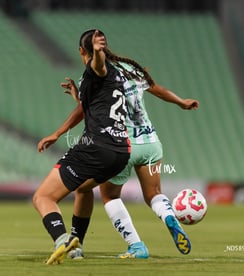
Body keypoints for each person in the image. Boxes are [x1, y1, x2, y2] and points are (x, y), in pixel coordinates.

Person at [39, 32, 199, 259]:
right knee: (154, 193)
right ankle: (168, 216)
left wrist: (60, 129)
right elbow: (156, 89)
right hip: (151, 142)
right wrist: (181, 102)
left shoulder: (97, 73)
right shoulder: (129, 68)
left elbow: (91, 110)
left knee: (108, 196)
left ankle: (135, 245)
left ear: (82, 51)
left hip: (123, 144)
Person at [33, 30, 130, 265]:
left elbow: (98, 68)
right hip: (120, 152)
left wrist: (97, 54)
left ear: (80, 51)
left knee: (43, 197)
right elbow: (91, 109)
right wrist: (78, 100)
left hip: (97, 147)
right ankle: (77, 244)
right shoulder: (116, 75)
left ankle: (61, 239)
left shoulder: (96, 69)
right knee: (84, 189)